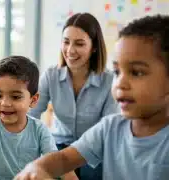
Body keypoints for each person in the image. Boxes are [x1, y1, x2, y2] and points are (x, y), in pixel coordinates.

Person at [15, 14, 169, 180]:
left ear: (94, 47)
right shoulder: (110, 128)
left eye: (136, 72)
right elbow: (63, 158)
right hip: (66, 145)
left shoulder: (107, 90)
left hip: (93, 153)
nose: (120, 83)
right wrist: (36, 166)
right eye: (118, 72)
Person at [27, 12, 118, 179]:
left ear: (94, 47)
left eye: (79, 44)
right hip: (58, 145)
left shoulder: (110, 80)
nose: (70, 50)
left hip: (95, 150)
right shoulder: (51, 76)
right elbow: (31, 114)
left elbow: (108, 128)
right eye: (66, 42)